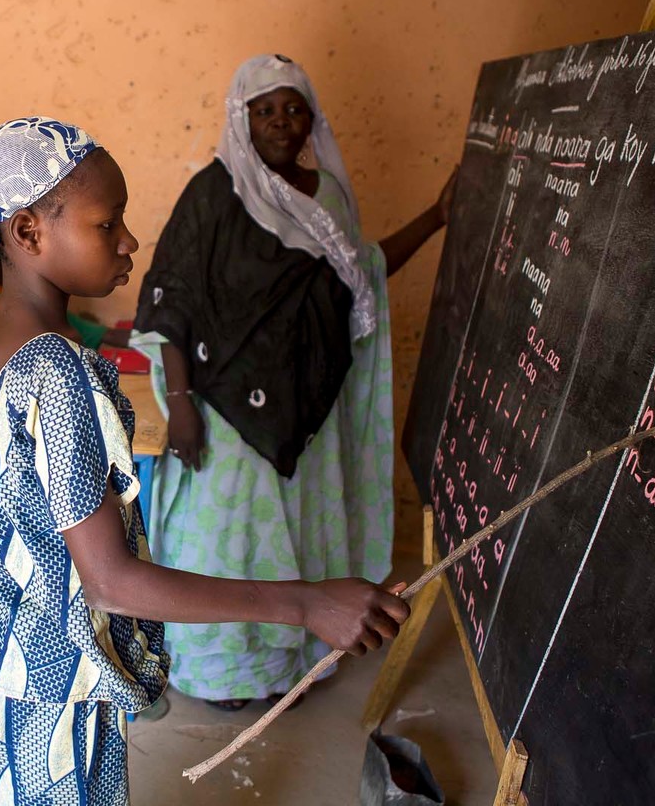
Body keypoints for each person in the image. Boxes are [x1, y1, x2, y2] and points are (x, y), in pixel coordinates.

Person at [0, 116, 409, 805]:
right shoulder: (57, 372)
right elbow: (110, 583)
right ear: (28, 233)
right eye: (107, 224)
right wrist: (305, 602)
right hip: (54, 679)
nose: (129, 241)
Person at [132, 54, 454, 711]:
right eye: (265, 110)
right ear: (241, 118)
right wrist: (182, 404)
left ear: (312, 121)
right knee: (227, 546)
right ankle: (222, 675)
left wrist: (436, 216)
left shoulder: (326, 195)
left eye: (293, 109)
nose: (281, 121)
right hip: (224, 412)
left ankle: (284, 669)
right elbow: (172, 302)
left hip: (308, 413)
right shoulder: (213, 193)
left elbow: (359, 276)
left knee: (297, 540)